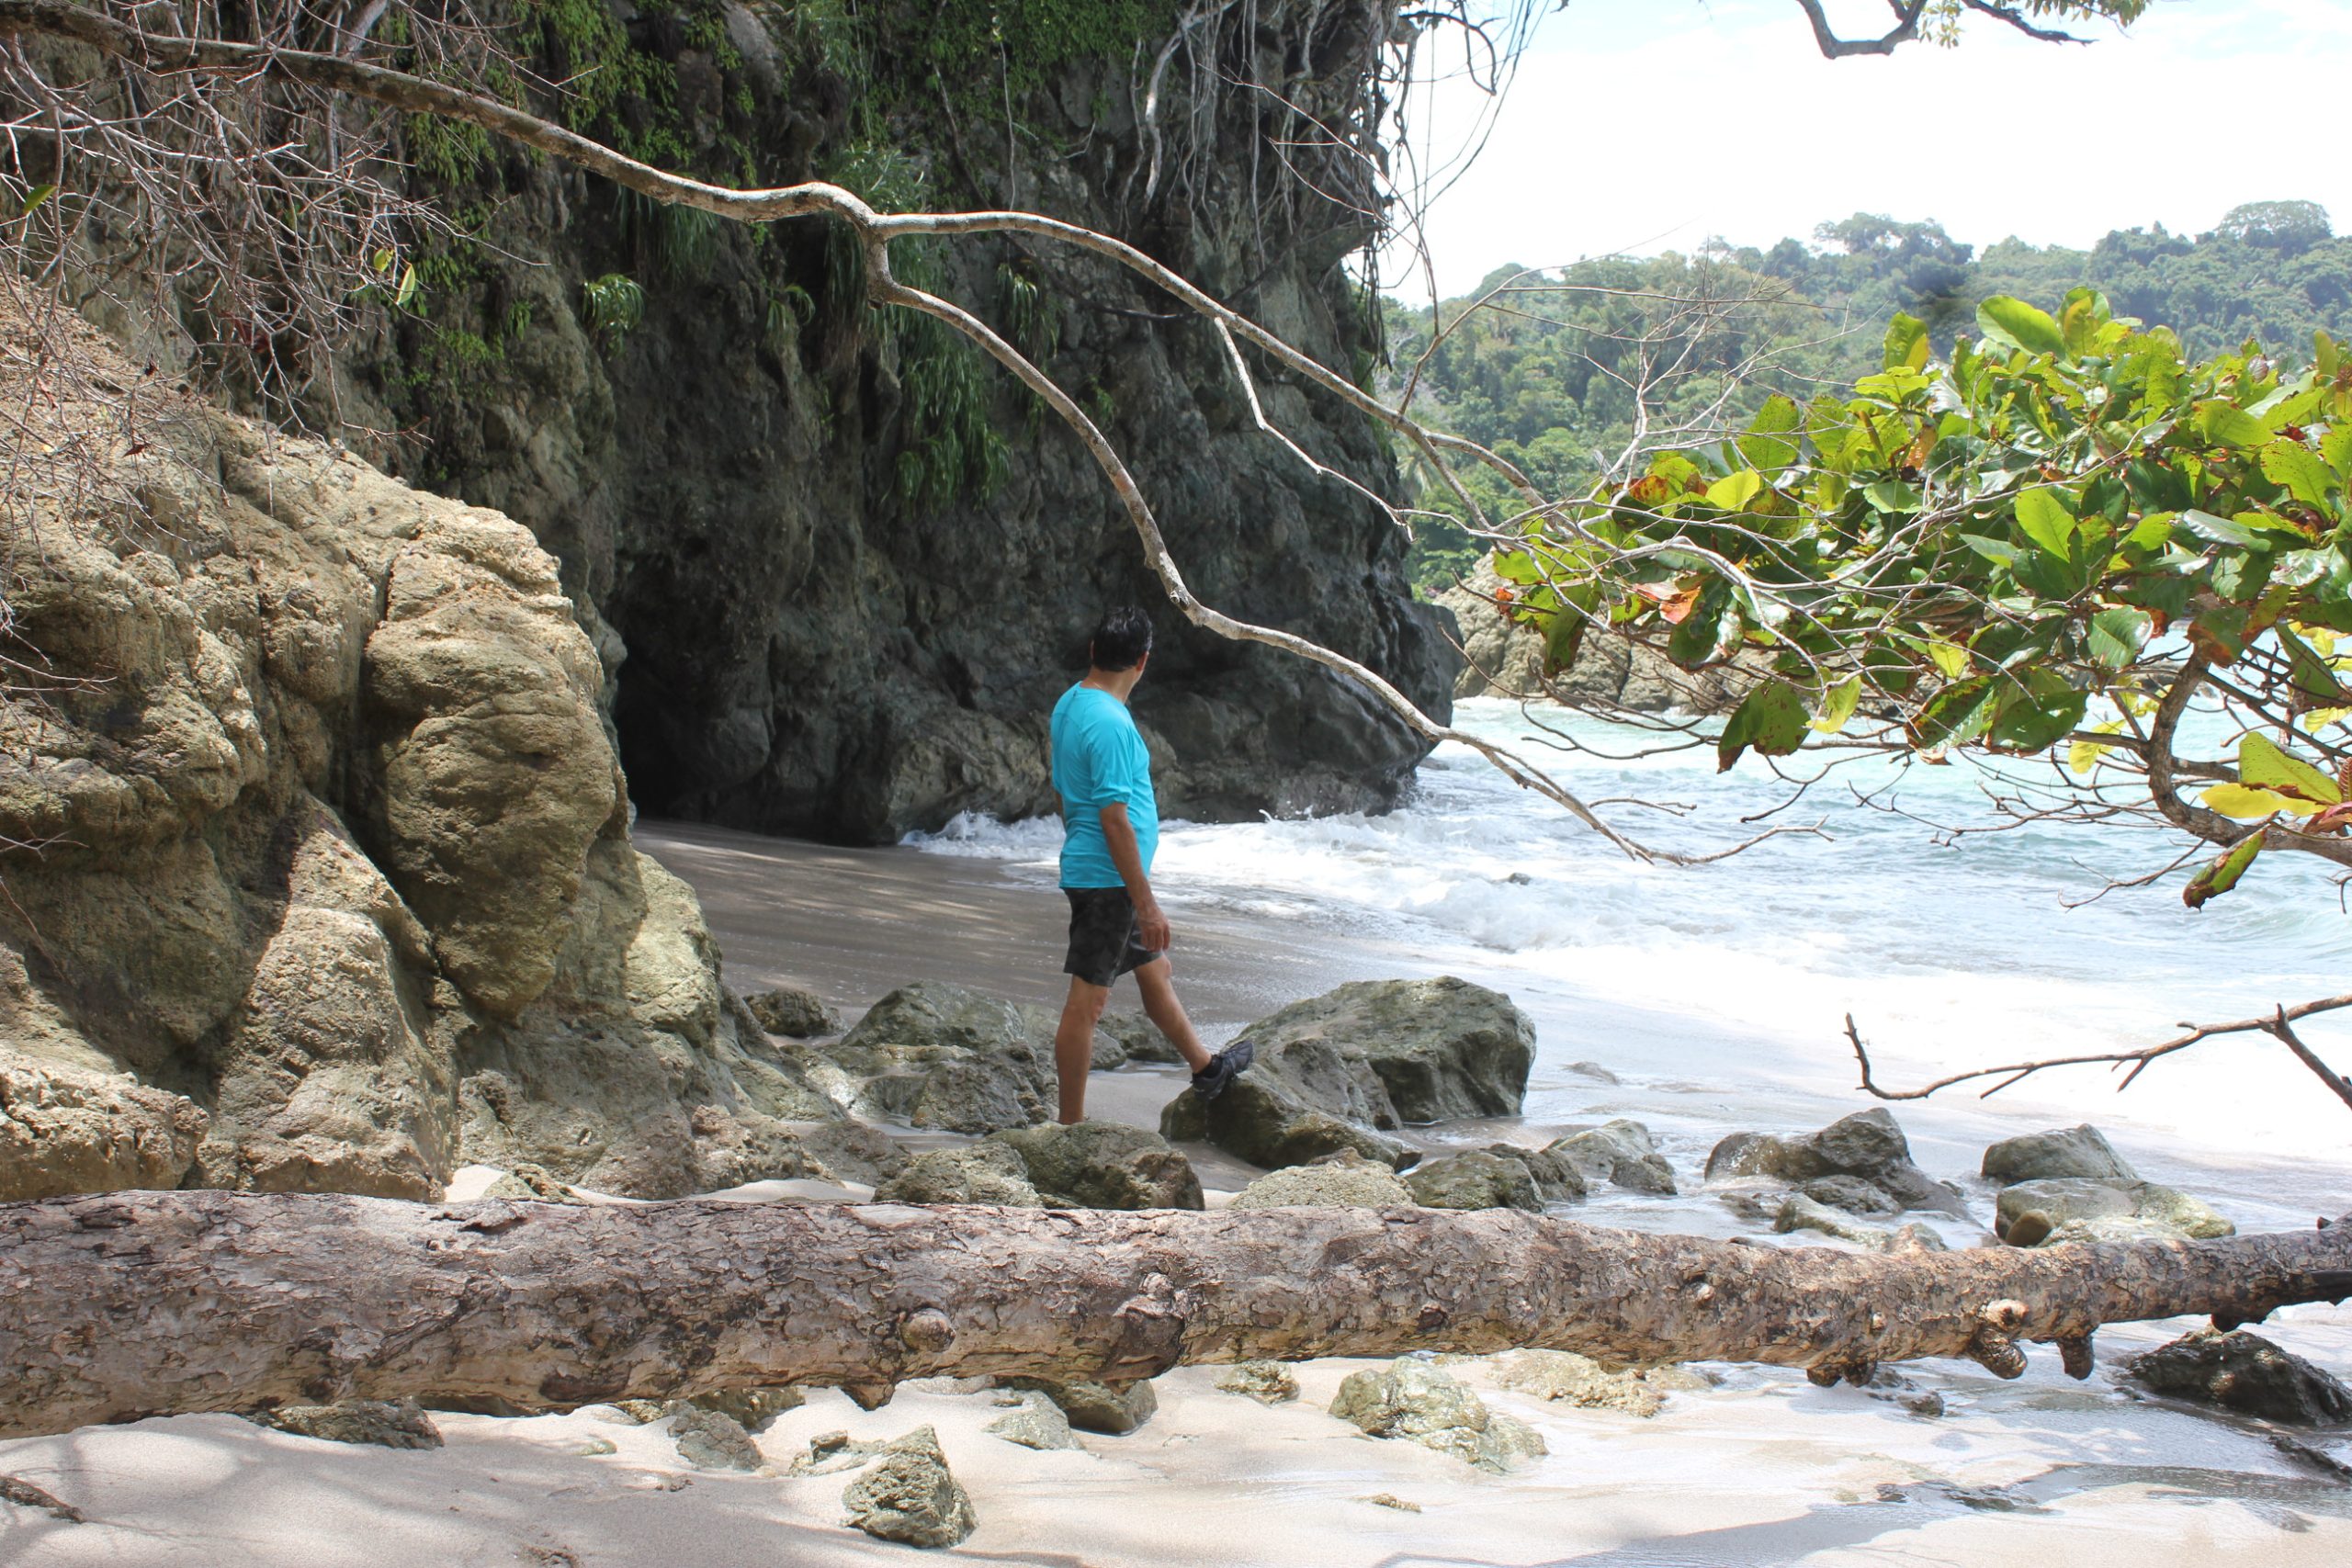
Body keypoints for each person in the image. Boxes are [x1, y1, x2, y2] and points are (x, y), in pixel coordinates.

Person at [1047, 606, 1251, 1123]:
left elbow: (1063, 794)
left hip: (1102, 870)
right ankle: (1070, 1125)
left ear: (1095, 652)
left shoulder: (1071, 704)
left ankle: (1207, 1069)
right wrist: (1146, 901)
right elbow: (1114, 819)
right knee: (1087, 1004)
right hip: (1110, 880)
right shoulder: (1112, 725)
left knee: (1155, 969)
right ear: (1142, 661)